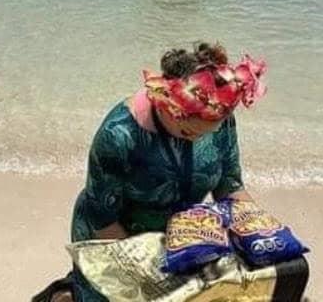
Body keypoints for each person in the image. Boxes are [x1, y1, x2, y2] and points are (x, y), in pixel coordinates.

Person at [37, 42, 267, 302]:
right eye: (187, 132)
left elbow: (230, 186)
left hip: (175, 239)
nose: (194, 140)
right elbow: (101, 218)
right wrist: (150, 272)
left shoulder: (217, 118)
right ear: (164, 103)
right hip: (110, 233)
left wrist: (263, 232)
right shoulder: (119, 136)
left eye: (206, 133)